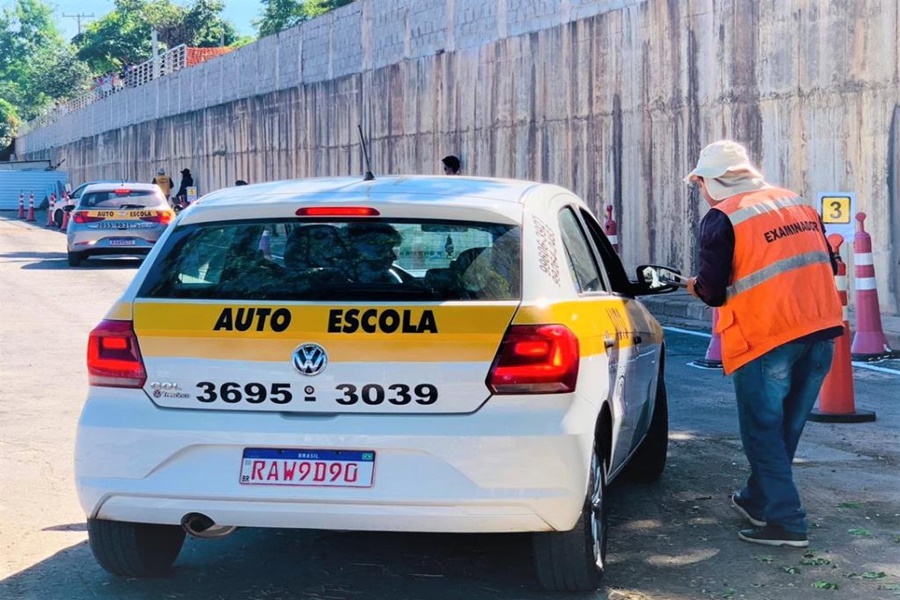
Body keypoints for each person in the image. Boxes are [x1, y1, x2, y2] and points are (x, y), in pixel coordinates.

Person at [684, 140, 843, 548]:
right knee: (784, 428)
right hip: (821, 330)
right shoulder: (797, 203)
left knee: (762, 430)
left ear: (713, 182)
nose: (701, 190)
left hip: (767, 336)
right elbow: (823, 260)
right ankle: (759, 499)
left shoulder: (723, 218)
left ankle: (787, 522)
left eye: (701, 182)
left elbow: (713, 292)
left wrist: (690, 286)